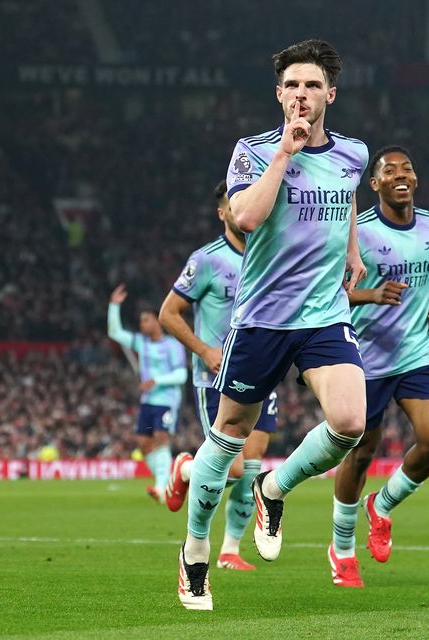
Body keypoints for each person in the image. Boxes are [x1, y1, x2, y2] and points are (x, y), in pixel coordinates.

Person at [177, 38, 369, 610]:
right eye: (292, 86)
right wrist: (285, 154)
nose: (302, 95)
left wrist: (353, 249)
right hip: (262, 318)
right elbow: (245, 216)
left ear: (330, 94)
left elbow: (347, 199)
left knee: (350, 421)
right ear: (278, 94)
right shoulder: (253, 151)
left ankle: (273, 486)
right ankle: (193, 553)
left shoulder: (353, 153)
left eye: (312, 86)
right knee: (229, 435)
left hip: (322, 316)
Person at [328, 146, 429, 587]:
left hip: (418, 351)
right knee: (361, 453)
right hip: (366, 357)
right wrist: (371, 295)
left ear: (415, 179)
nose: (400, 175)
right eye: (389, 171)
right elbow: (323, 290)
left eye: (407, 168)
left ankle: (381, 506)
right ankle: (342, 549)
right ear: (375, 184)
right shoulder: (356, 234)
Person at [159, 179, 279, 572]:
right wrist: (206, 350)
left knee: (254, 462)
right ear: (224, 212)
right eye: (234, 203)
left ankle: (230, 549)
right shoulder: (207, 259)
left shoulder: (271, 256)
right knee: (234, 466)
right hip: (216, 378)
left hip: (263, 370)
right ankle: (186, 469)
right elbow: (168, 314)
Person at [107, 285, 187, 502]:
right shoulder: (141, 343)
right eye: (141, 321)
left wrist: (156, 380)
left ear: (156, 320)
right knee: (143, 444)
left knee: (161, 439)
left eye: (145, 320)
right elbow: (114, 332)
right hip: (148, 401)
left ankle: (161, 488)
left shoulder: (172, 345)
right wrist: (114, 306)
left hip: (167, 400)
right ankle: (167, 480)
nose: (142, 325)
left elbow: (181, 375)